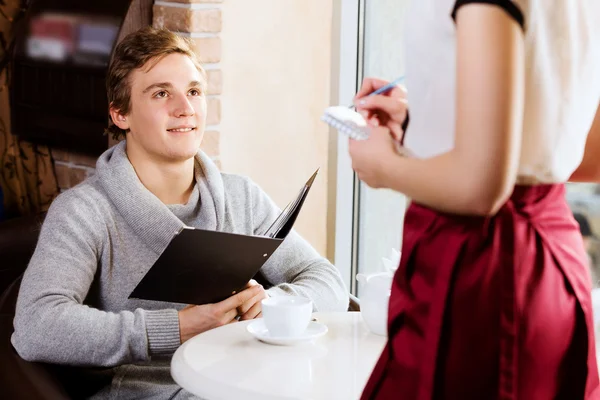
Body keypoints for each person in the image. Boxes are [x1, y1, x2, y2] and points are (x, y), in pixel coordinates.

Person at [11, 27, 348, 399]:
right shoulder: (83, 212)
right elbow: (35, 326)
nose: (185, 108)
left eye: (193, 91)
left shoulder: (241, 196)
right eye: (160, 93)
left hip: (250, 378)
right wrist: (174, 328)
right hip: (154, 391)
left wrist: (275, 304)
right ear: (120, 114)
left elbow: (326, 279)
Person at [348, 0, 600, 398]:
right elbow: (584, 151)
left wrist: (381, 166)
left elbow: (480, 186)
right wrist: (434, 125)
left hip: (481, 268)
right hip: (550, 260)